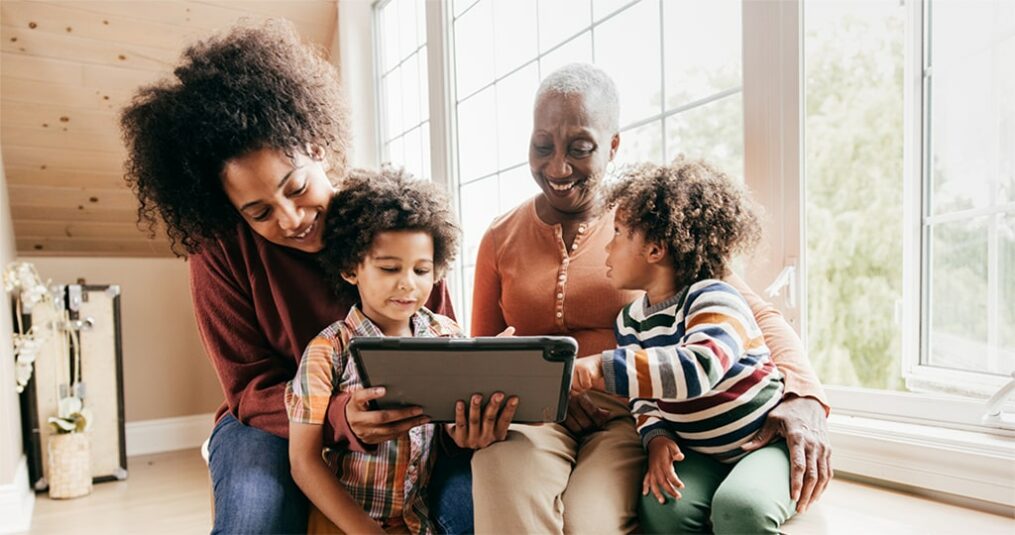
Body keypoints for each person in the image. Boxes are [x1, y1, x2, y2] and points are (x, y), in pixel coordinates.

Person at [119, 21, 508, 534]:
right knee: (255, 516)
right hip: (273, 425)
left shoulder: (393, 224)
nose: (290, 218)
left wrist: (468, 413)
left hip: (411, 424)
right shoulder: (217, 250)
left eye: (296, 187)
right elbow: (249, 389)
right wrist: (339, 417)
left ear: (319, 146)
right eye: (258, 212)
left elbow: (441, 348)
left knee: (473, 508)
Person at [468, 63, 831, 534]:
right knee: (500, 478)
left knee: (590, 522)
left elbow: (752, 314)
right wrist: (487, 414)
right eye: (542, 146)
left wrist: (805, 395)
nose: (557, 167)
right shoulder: (499, 238)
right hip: (537, 413)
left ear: (613, 146)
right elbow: (480, 353)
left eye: (580, 148)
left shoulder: (650, 231)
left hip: (632, 412)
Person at [571, 159, 795, 533]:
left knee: (741, 508)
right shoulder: (630, 321)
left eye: (618, 233)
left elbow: (697, 368)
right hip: (700, 452)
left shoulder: (715, 299)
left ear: (656, 249)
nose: (607, 247)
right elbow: (642, 396)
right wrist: (656, 436)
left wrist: (599, 368)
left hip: (763, 444)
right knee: (662, 505)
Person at [287, 169, 508, 534]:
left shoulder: (445, 335)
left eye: (422, 270)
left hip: (416, 520)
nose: (408, 283)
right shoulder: (328, 351)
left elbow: (452, 425)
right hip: (344, 522)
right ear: (349, 268)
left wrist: (468, 427)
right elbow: (303, 461)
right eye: (389, 268)